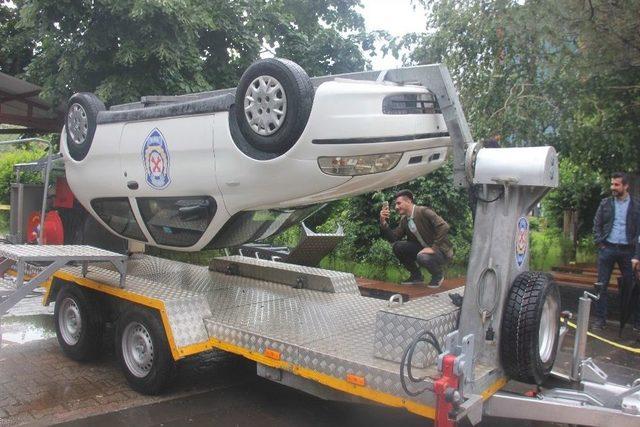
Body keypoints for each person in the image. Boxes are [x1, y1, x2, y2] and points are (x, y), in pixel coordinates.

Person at [592, 172, 640, 330]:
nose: (613, 187)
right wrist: (600, 243)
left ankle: (635, 321)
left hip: (628, 251)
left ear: (626, 186)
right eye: (612, 184)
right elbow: (597, 224)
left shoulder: (636, 206)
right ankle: (600, 320)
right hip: (608, 248)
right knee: (601, 285)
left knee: (632, 286)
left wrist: (637, 255)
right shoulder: (605, 203)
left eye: (616, 184)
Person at [379, 190, 453, 287]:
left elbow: (444, 226)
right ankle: (416, 276)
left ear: (409, 201)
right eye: (396, 204)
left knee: (422, 257)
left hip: (441, 251)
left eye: (399, 203)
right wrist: (383, 222)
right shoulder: (405, 220)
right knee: (398, 247)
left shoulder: (423, 211)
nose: (396, 207)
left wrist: (433, 248)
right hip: (423, 249)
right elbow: (394, 238)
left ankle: (437, 275)